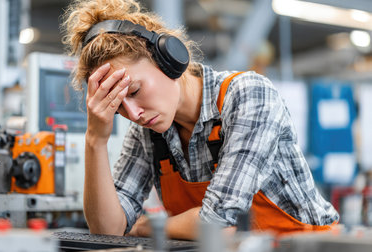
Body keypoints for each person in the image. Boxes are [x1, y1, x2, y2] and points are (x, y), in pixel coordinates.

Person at [61, 0, 339, 240]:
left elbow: (218, 222)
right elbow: (108, 230)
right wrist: (95, 139)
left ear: (167, 59)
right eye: (119, 107)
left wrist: (150, 226)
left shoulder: (248, 96)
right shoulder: (149, 129)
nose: (134, 114)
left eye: (134, 91)